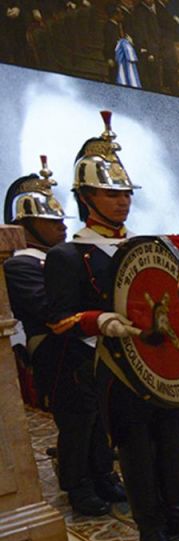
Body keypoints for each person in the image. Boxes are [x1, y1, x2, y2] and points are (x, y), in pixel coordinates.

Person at [47, 111, 179, 541]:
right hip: (112, 365)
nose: (122, 201)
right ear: (86, 197)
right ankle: (151, 526)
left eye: (125, 192)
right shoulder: (69, 256)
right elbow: (58, 318)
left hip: (157, 360)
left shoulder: (144, 247)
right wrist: (99, 320)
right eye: (110, 193)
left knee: (168, 435)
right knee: (134, 446)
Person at [4, 157, 124, 516]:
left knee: (98, 415)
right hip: (55, 350)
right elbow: (48, 308)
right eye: (48, 222)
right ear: (26, 226)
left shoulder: (63, 257)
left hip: (85, 345)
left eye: (60, 221)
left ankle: (103, 474)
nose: (58, 228)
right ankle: (78, 485)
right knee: (75, 420)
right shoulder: (20, 265)